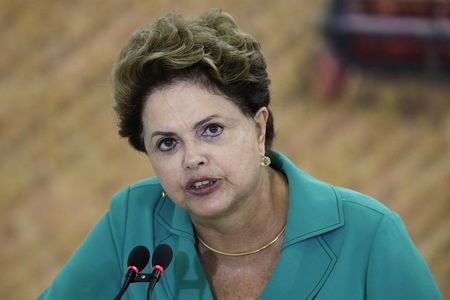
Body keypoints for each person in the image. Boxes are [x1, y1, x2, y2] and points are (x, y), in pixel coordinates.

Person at [37, 9, 442, 300]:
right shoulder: (134, 220)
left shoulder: (368, 235)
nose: (191, 158)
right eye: (167, 143)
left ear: (259, 126)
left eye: (211, 130)